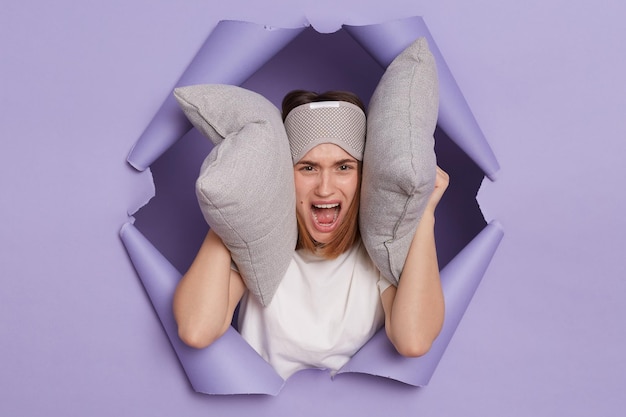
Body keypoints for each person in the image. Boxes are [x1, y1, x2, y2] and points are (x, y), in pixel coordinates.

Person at [173, 90, 448, 379]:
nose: (325, 188)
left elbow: (413, 339)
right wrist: (232, 202)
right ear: (284, 173)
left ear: (366, 175)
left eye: (344, 167)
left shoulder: (378, 252)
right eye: (308, 167)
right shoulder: (259, 247)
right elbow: (196, 329)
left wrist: (423, 213)